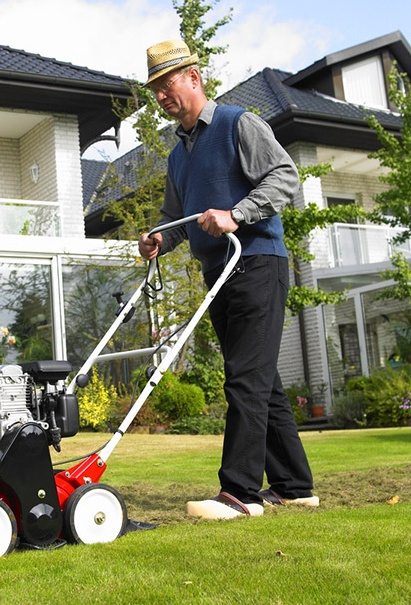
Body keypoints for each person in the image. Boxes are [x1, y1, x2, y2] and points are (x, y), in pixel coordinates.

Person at [138, 38, 318, 520]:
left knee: (245, 379)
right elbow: (178, 218)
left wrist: (237, 214)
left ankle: (240, 493)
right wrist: (160, 240)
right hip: (218, 272)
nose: (160, 96)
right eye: (155, 88)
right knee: (262, 380)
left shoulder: (239, 123)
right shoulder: (177, 156)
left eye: (167, 84)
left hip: (258, 261)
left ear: (193, 78)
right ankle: (296, 486)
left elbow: (285, 176)